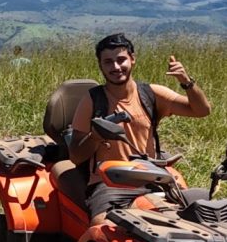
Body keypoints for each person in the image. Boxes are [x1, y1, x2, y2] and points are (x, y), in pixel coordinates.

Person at [68, 33, 211, 223]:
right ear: (100, 66)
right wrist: (96, 136)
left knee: (196, 216)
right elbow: (76, 156)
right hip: (110, 183)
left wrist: (186, 82)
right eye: (108, 62)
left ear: (132, 59)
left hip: (151, 176)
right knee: (103, 225)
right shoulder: (92, 100)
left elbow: (202, 111)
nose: (116, 67)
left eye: (121, 60)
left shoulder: (151, 94)